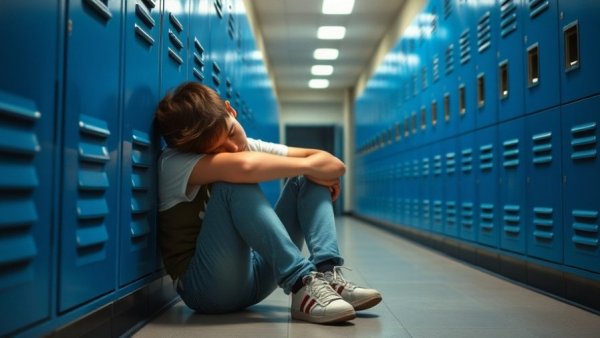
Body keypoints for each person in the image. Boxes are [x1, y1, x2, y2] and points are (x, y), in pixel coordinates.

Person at [154, 82, 382, 324]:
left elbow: (335, 165)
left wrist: (313, 172)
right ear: (196, 151)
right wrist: (311, 167)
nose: (232, 148)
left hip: (254, 277)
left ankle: (327, 273)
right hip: (205, 289)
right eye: (216, 150)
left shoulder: (247, 145)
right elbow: (246, 167)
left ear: (230, 110)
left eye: (231, 132)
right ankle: (300, 282)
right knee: (232, 181)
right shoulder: (174, 163)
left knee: (304, 181)